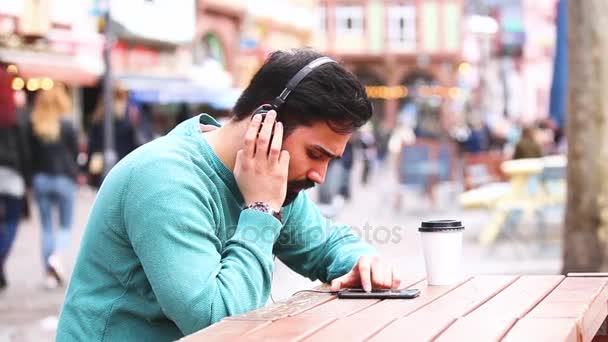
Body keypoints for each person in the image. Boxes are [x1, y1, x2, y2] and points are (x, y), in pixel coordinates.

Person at [57, 49, 403, 341]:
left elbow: (327, 245)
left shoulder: (270, 179)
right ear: (265, 124)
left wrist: (361, 261)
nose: (320, 175)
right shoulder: (165, 179)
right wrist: (261, 210)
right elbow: (220, 324)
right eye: (315, 154)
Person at [29, 84, 79, 289]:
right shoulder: (67, 124)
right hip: (64, 179)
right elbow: (74, 152)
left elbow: (30, 154)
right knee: (66, 225)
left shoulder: (36, 125)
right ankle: (56, 257)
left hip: (41, 179)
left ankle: (50, 275)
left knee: (47, 226)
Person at [0, 67, 30, 290]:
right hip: (12, 173)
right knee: (11, 222)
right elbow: (24, 150)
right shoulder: (15, 114)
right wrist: (28, 180)